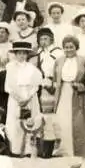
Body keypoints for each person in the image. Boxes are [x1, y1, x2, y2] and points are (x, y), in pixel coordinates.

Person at [53, 35, 85, 158]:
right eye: (66, 47)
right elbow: (55, 79)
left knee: (78, 122)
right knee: (62, 121)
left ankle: (78, 151)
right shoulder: (59, 61)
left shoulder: (84, 60)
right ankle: (63, 150)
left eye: (71, 47)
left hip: (77, 94)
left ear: (76, 47)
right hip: (62, 93)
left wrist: (82, 85)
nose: (69, 49)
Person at [5, 41, 42, 156]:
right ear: (15, 54)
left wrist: (28, 98)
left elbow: (36, 85)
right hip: (16, 97)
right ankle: (16, 149)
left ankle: (29, 149)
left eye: (24, 53)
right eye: (19, 53)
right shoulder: (10, 67)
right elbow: (8, 86)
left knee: (29, 120)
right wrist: (19, 99)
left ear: (27, 55)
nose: (21, 56)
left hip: (29, 96)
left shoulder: (32, 68)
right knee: (15, 122)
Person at [31, 27, 62, 158]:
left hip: (52, 86)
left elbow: (59, 70)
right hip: (40, 87)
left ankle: (52, 147)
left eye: (46, 39)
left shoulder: (58, 52)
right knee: (40, 116)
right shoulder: (37, 54)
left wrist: (52, 83)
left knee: (51, 118)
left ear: (51, 39)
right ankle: (41, 147)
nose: (43, 41)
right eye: (41, 39)